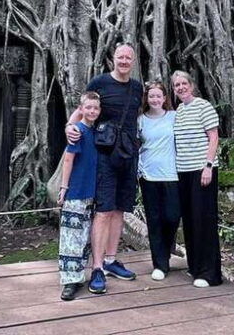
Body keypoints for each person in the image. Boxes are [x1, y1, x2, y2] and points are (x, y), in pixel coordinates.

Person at [65, 43, 143, 294]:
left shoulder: (137, 87)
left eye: (128, 58)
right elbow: (82, 109)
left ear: (133, 61)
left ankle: (110, 260)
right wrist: (69, 127)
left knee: (120, 209)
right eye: (120, 57)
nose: (124, 61)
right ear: (113, 59)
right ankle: (97, 267)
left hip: (128, 156)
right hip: (105, 157)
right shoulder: (99, 82)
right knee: (104, 211)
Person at [171, 69, 222, 287]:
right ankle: (195, 266)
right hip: (183, 172)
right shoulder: (179, 111)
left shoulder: (204, 106)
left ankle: (210, 274)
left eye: (184, 83)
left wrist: (208, 166)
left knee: (204, 219)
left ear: (191, 85)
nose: (181, 87)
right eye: (177, 85)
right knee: (190, 219)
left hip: (202, 170)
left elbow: (214, 137)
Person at [57, 91, 101, 301]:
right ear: (81, 109)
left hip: (91, 192)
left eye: (95, 108)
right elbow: (68, 159)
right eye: (88, 107)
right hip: (75, 191)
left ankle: (79, 275)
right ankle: (69, 281)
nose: (92, 111)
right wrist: (64, 188)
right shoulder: (77, 131)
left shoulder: (96, 132)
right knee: (71, 237)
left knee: (84, 237)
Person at [138, 80, 180, 281]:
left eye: (158, 96)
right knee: (154, 220)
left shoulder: (174, 116)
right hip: (148, 175)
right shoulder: (140, 120)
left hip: (172, 174)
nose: (155, 99)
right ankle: (160, 264)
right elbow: (135, 146)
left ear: (164, 98)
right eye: (151, 96)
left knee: (172, 216)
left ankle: (167, 250)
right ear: (147, 98)